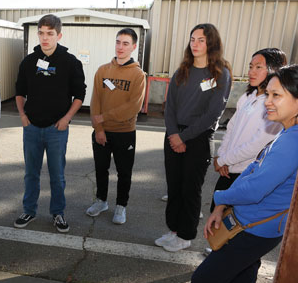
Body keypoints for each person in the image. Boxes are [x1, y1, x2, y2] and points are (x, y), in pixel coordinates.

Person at [179, 64, 298, 283]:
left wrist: (220, 196)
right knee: (241, 278)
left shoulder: (293, 141)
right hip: (256, 223)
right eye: (267, 93)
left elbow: (256, 187)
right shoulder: (287, 134)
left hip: (256, 227)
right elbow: (255, 172)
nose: (267, 101)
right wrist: (224, 205)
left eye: (276, 95)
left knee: (204, 281)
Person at [154, 23, 231, 252]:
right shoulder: (182, 71)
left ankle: (186, 235)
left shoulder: (220, 74)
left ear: (211, 43)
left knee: (190, 188)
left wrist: (183, 137)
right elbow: (170, 107)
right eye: (192, 39)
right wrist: (174, 134)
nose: (195, 44)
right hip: (174, 134)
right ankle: (174, 230)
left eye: (201, 40)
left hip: (197, 138)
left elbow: (212, 113)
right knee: (174, 186)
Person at [13, 14, 86, 233]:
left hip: (57, 129)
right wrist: (23, 116)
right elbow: (19, 92)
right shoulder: (28, 61)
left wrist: (66, 119)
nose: (45, 38)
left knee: (57, 175)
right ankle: (29, 210)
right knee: (31, 174)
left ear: (59, 35)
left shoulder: (70, 62)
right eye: (41, 33)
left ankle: (58, 213)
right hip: (32, 128)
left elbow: (80, 95)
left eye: (50, 34)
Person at [210, 48, 286, 212]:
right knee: (216, 219)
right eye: (251, 66)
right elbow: (230, 129)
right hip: (228, 170)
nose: (252, 71)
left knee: (233, 226)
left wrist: (224, 161)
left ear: (274, 70)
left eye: (258, 67)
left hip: (248, 175)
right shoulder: (247, 97)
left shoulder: (274, 105)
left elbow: (256, 145)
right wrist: (222, 157)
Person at [86, 28, 146, 225]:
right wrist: (99, 127)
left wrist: (105, 117)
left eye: (125, 43)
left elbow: (133, 106)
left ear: (134, 47)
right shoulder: (103, 70)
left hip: (124, 133)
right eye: (118, 42)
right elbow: (95, 100)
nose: (120, 47)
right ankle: (101, 201)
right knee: (101, 169)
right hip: (102, 130)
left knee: (124, 172)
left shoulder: (138, 75)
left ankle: (121, 206)